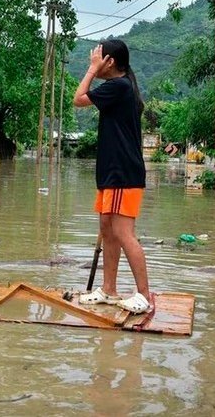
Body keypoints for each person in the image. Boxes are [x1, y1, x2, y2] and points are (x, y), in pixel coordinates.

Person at [72, 39, 152, 314]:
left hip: (122, 173)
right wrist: (96, 66)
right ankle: (108, 289)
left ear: (111, 62)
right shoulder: (121, 87)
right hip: (111, 173)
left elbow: (79, 99)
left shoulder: (119, 86)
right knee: (107, 229)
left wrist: (92, 70)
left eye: (98, 57)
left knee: (123, 232)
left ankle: (144, 295)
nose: (93, 60)